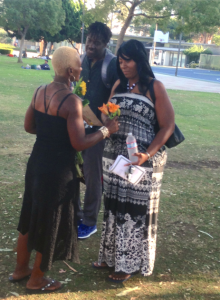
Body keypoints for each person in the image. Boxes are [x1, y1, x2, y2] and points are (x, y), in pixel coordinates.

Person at [9, 46, 119, 293]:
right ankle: (36, 279)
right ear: (71, 71)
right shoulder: (72, 101)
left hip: (37, 163)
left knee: (30, 215)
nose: (82, 70)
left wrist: (51, 134)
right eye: (79, 66)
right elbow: (79, 143)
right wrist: (105, 131)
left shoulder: (40, 91)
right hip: (58, 171)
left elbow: (29, 126)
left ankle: (20, 270)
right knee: (50, 222)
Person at [93, 39, 175, 282]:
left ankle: (127, 263)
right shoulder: (118, 84)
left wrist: (147, 154)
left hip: (142, 159)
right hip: (115, 157)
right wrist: (105, 115)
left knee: (133, 210)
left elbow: (168, 126)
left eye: (127, 59)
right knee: (113, 207)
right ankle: (110, 256)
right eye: (120, 60)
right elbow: (106, 113)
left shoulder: (154, 87)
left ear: (140, 60)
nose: (123, 64)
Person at [77, 22, 118, 239]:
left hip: (98, 131)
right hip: (76, 126)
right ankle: (75, 214)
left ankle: (89, 221)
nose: (91, 45)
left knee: (93, 175)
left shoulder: (111, 65)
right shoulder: (81, 60)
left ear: (106, 44)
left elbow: (117, 96)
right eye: (89, 40)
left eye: (97, 42)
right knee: (72, 169)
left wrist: (108, 122)